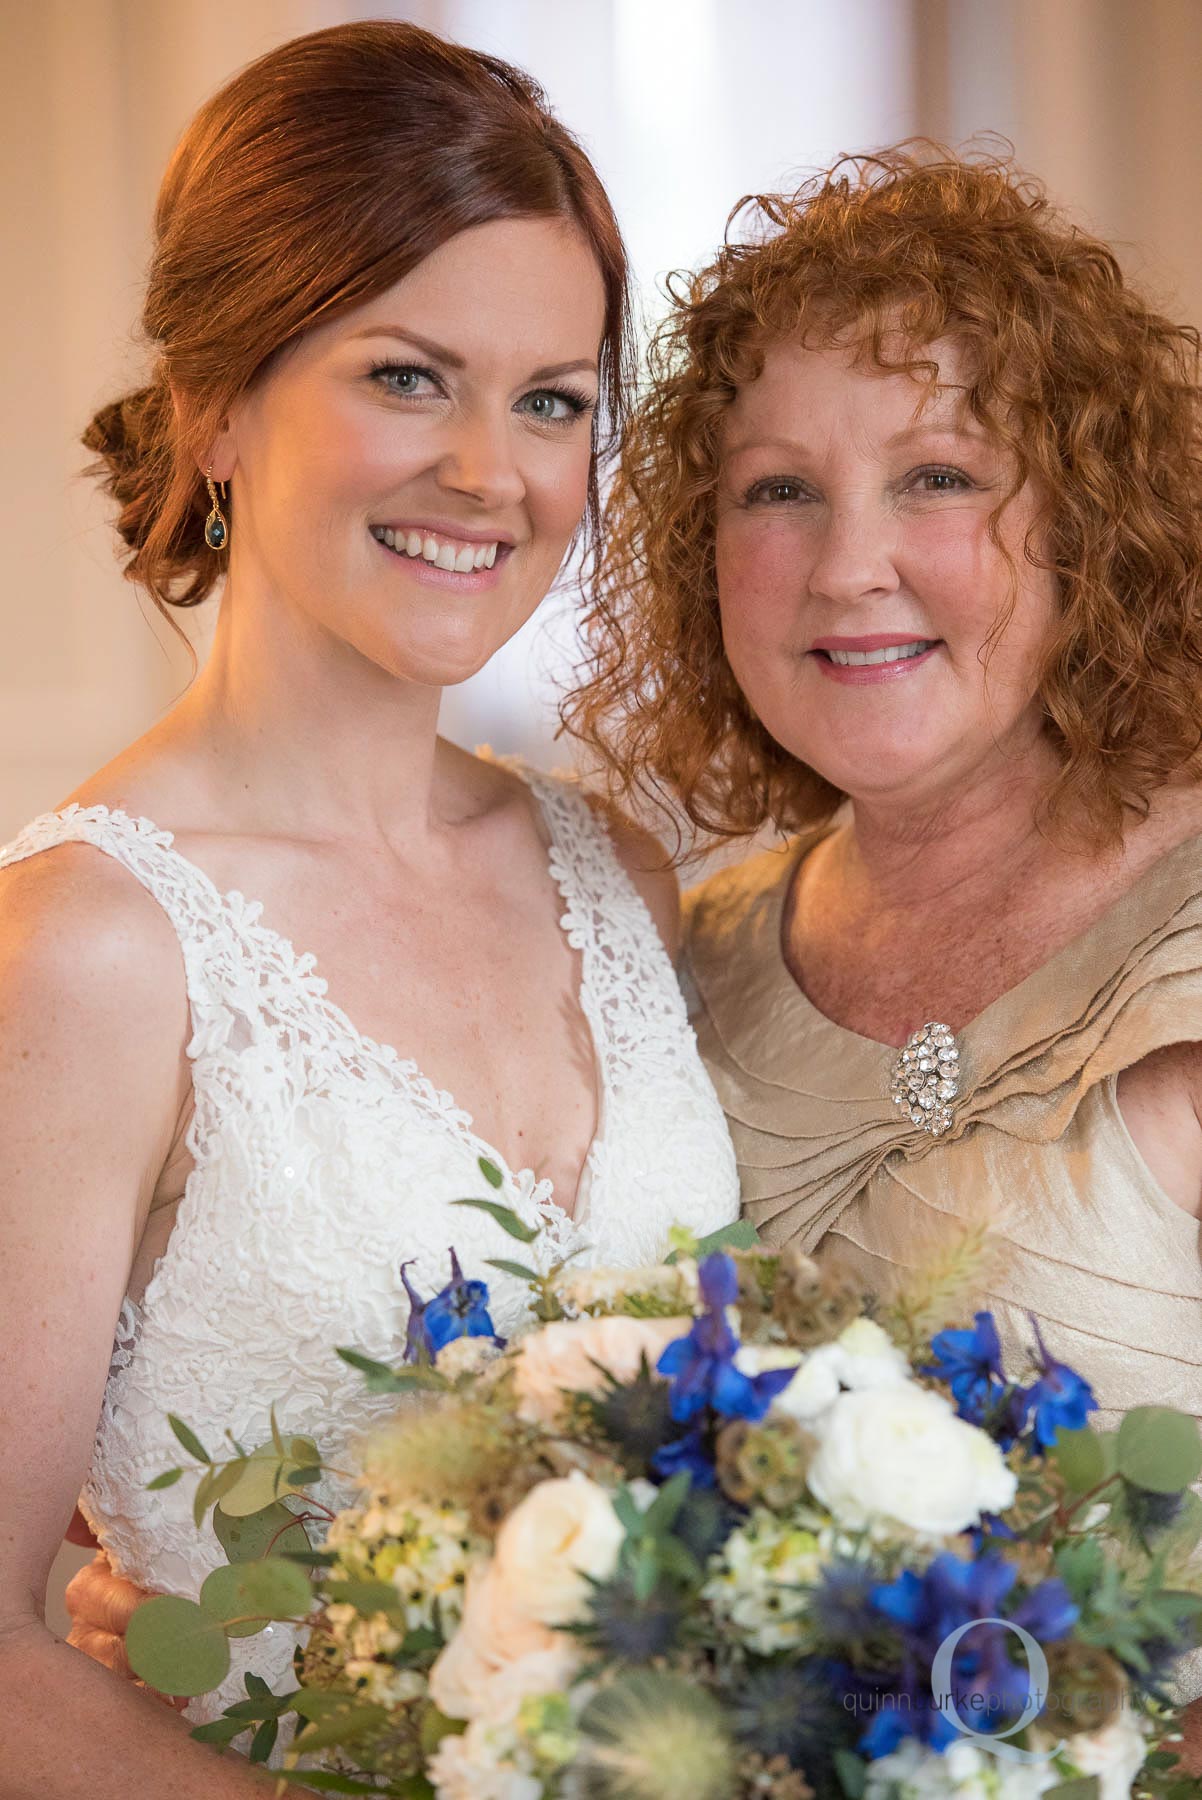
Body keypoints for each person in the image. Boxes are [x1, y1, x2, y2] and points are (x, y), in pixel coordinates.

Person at [0, 22, 738, 1795]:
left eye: (552, 400)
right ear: (217, 402)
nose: (491, 471)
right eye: (408, 376)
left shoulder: (612, 872)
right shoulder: (85, 955)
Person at [564, 147, 1202, 1736]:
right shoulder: (671, 962)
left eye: (936, 475)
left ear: (1092, 514)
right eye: (776, 489)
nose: (848, 564)